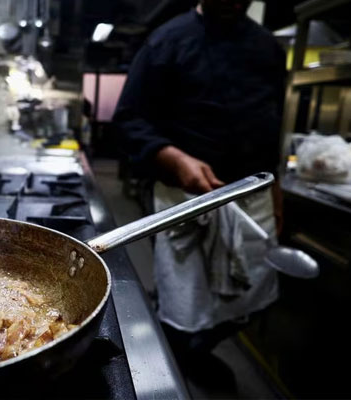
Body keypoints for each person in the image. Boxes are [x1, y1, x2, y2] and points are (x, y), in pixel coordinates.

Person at [113, 0, 287, 387]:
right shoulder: (167, 41)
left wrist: (276, 190)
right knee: (183, 299)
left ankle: (196, 352)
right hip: (186, 199)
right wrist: (172, 157)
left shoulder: (268, 48)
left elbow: (272, 125)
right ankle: (179, 357)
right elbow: (129, 120)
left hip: (250, 196)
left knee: (250, 294)